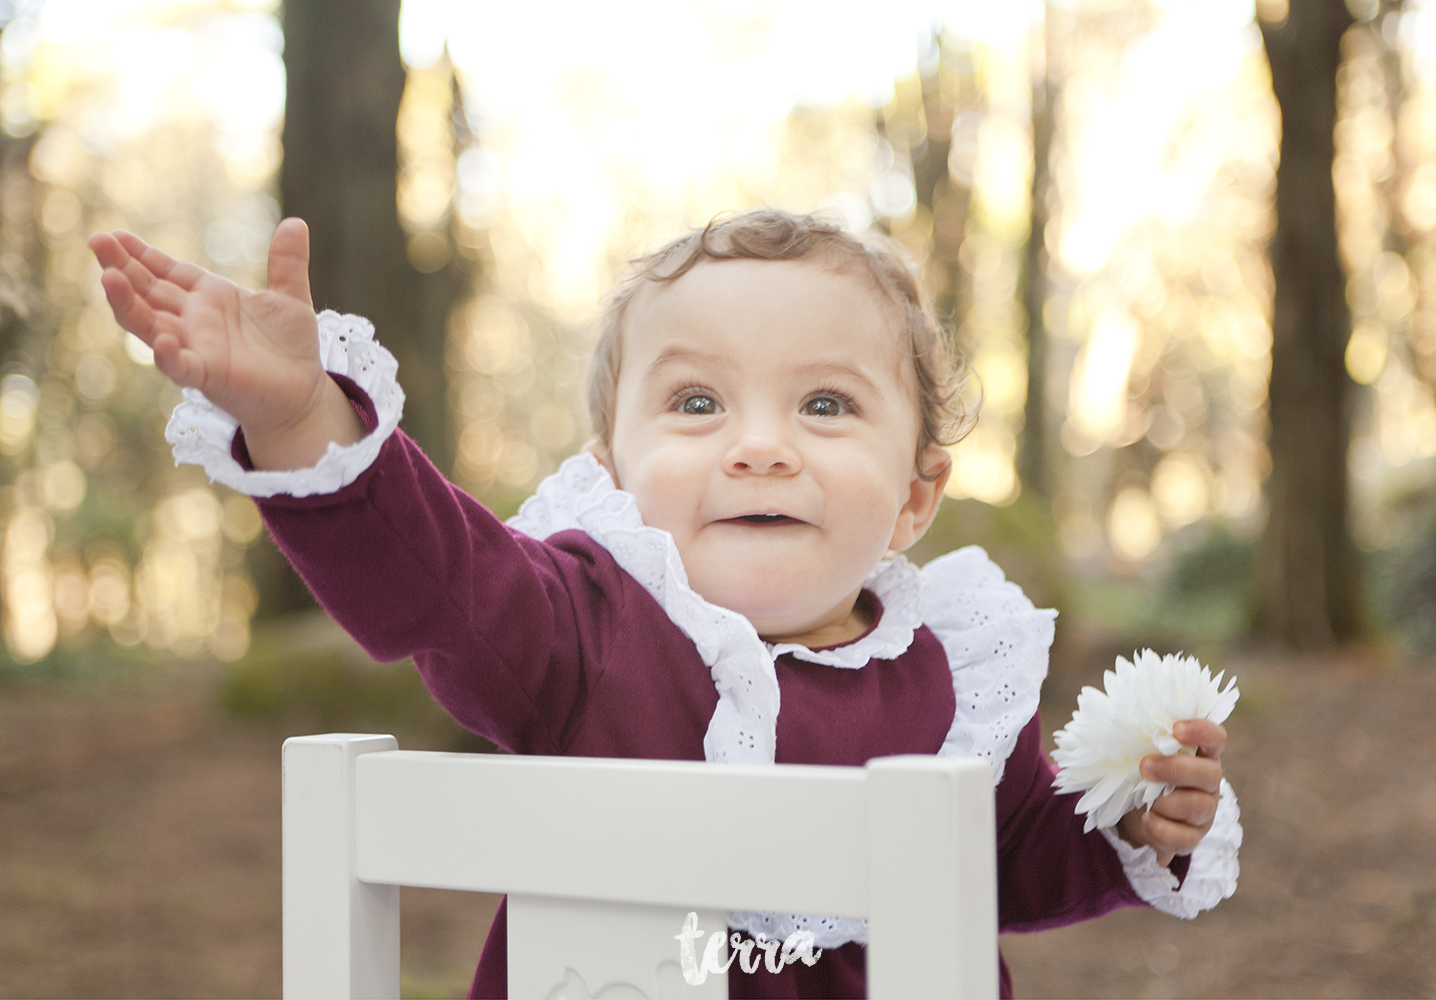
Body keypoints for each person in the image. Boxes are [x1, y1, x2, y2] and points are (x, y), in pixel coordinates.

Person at [88, 210, 1239, 999]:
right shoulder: (583, 624)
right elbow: (438, 582)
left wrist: (1134, 822)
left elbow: (1008, 861)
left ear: (914, 496)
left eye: (826, 404)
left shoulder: (955, 669)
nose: (758, 447)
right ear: (614, 466)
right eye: (696, 401)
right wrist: (300, 421)